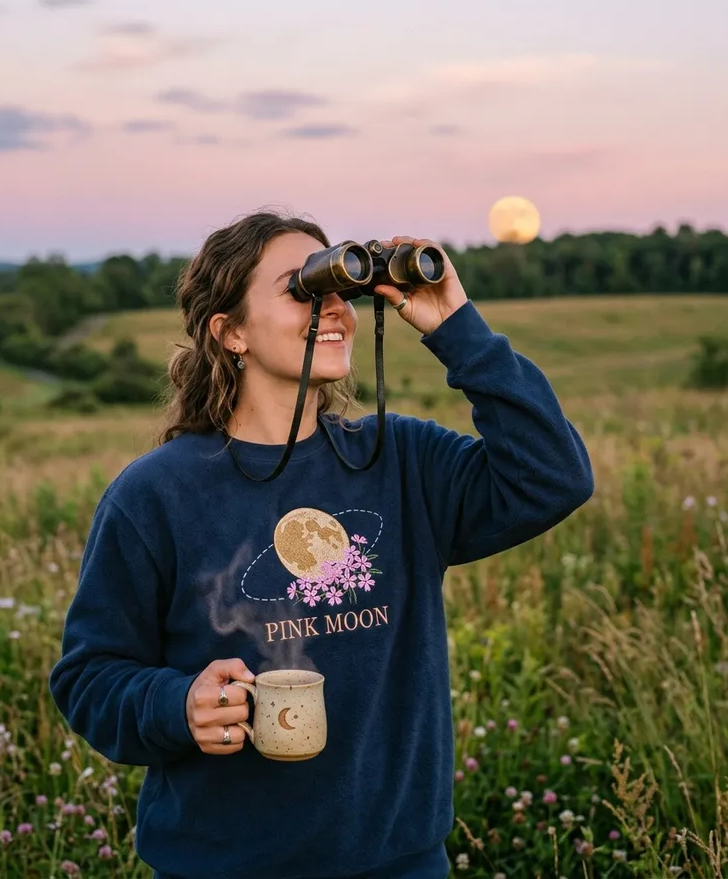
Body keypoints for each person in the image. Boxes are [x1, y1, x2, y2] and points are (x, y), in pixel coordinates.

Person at [49, 209, 594, 878]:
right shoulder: (154, 497)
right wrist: (175, 704)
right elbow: (89, 677)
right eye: (302, 288)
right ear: (232, 332)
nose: (333, 305)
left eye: (339, 285)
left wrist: (457, 325)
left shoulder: (405, 462)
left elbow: (554, 476)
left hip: (400, 864)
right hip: (223, 865)